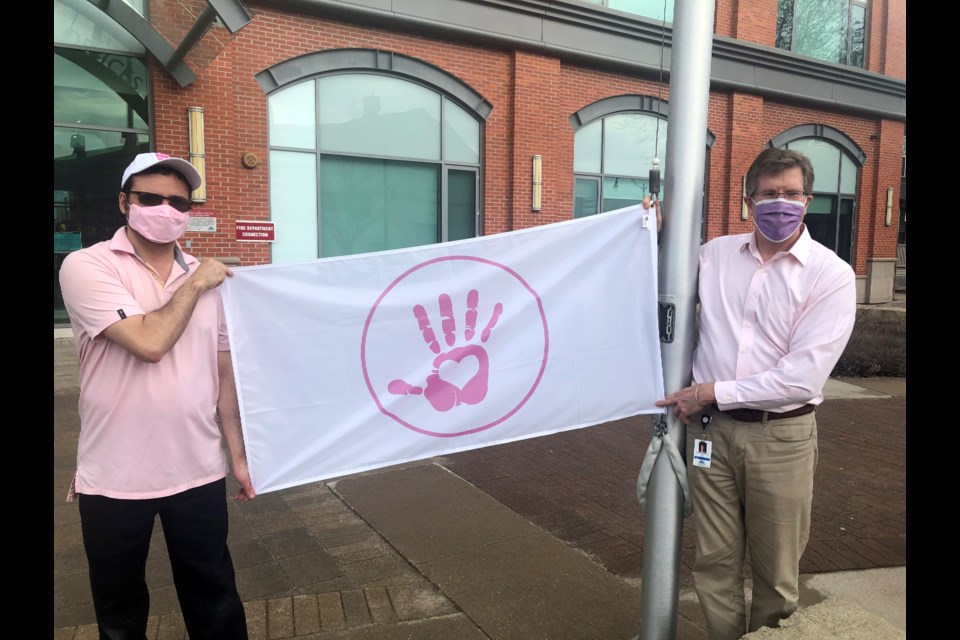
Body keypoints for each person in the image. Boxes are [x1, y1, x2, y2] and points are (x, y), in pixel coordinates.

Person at [655, 147, 857, 639]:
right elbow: (657, 285)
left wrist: (707, 391)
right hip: (711, 437)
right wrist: (650, 233)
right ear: (749, 201)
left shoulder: (831, 275)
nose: (780, 203)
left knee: (775, 576)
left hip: (780, 438)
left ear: (807, 200)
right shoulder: (714, 256)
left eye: (790, 193)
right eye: (769, 194)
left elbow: (801, 379)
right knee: (714, 564)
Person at [59, 152, 255, 639]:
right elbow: (148, 342)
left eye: (178, 202)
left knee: (215, 597)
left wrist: (239, 457)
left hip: (198, 469)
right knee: (120, 610)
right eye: (150, 198)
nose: (166, 209)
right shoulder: (87, 266)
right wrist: (194, 286)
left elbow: (223, 375)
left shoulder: (210, 278)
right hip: (114, 477)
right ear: (124, 202)